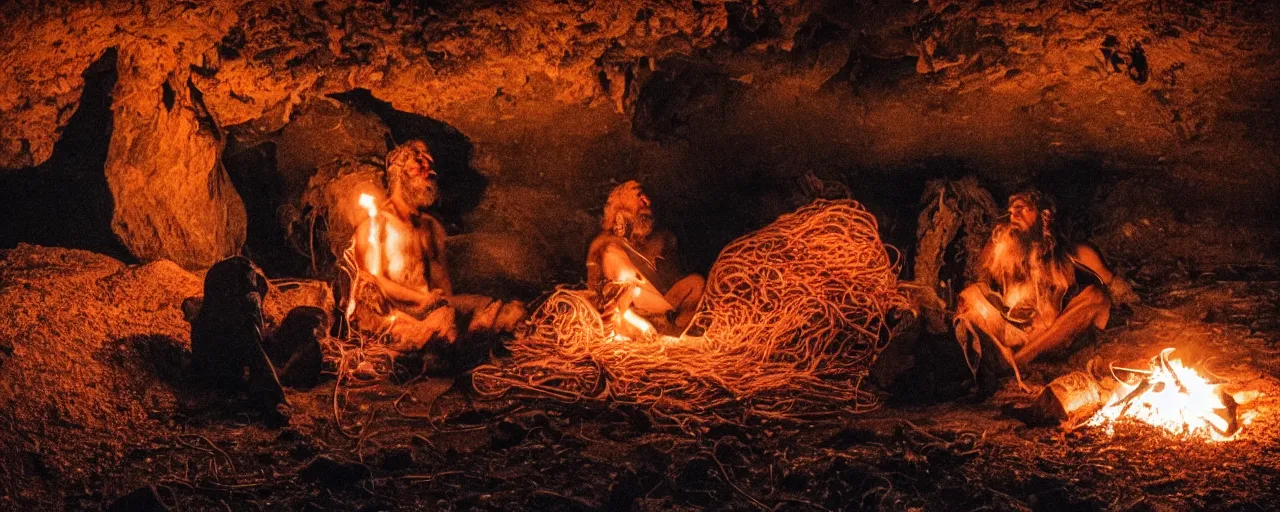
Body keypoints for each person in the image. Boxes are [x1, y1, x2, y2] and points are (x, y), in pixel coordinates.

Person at [347, 140, 523, 354]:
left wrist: (447, 305)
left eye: (430, 167)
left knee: (499, 309)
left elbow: (443, 287)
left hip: (432, 307)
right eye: (419, 165)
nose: (429, 173)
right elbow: (373, 282)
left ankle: (468, 343)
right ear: (398, 173)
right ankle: (455, 347)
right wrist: (422, 301)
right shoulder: (376, 225)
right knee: (442, 323)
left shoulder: (431, 227)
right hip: (399, 312)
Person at [954, 189, 1134, 391]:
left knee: (1096, 296)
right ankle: (1000, 361)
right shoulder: (1002, 248)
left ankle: (1017, 363)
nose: (1013, 215)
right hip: (1010, 333)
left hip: (1050, 336)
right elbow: (981, 287)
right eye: (1012, 210)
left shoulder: (1075, 253)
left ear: (1045, 215)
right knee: (970, 294)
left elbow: (1119, 292)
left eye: (1021, 209)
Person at [586, 181, 704, 337]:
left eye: (646, 196)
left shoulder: (647, 242)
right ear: (621, 202)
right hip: (628, 317)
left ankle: (677, 331)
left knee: (695, 283)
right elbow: (616, 300)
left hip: (656, 311)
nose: (647, 201)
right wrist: (643, 324)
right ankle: (665, 333)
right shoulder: (608, 247)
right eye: (638, 195)